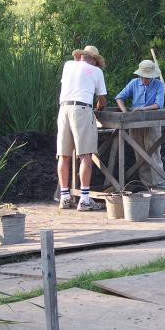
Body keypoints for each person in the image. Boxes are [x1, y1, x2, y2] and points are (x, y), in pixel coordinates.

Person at [57, 45, 107, 211]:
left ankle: (64, 197)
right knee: (85, 155)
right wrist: (99, 107)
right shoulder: (96, 71)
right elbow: (102, 100)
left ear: (80, 56)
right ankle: (84, 199)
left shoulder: (68, 65)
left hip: (64, 109)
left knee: (64, 155)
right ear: (93, 59)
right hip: (82, 109)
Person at [115, 60, 165, 188]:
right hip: (134, 123)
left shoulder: (159, 84)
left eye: (148, 77)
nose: (145, 79)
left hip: (152, 122)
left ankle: (159, 184)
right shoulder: (134, 83)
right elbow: (119, 97)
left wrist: (143, 108)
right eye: (143, 77)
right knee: (140, 155)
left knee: (153, 153)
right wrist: (125, 111)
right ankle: (147, 185)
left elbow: (158, 104)